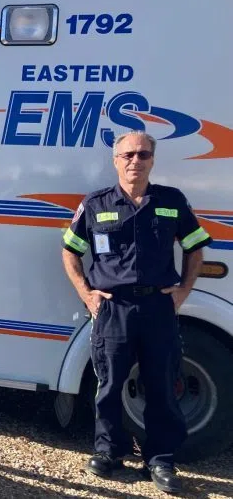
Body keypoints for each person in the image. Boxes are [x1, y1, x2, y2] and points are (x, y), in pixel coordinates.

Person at [61, 130, 212, 494]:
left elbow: (195, 247)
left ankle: (160, 460)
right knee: (109, 383)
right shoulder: (96, 203)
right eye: (128, 154)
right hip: (113, 308)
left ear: (152, 160)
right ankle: (109, 452)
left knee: (161, 384)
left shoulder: (171, 201)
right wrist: (87, 294)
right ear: (116, 160)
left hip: (158, 307)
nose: (135, 161)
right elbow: (69, 251)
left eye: (143, 155)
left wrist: (183, 292)